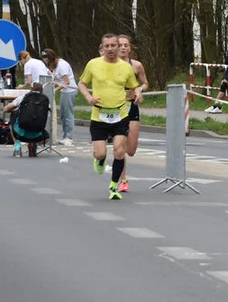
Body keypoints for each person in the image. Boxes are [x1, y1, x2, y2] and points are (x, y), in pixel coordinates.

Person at [78, 33, 141, 201]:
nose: (111, 49)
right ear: (102, 47)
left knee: (120, 151)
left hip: (120, 114)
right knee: (100, 153)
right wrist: (88, 97)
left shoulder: (125, 67)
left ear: (118, 46)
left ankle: (114, 186)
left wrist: (138, 94)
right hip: (99, 115)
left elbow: (135, 86)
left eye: (113, 45)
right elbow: (82, 83)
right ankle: (100, 160)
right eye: (107, 46)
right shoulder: (93, 64)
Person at [115, 35, 149, 193]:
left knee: (131, 150)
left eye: (125, 45)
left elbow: (145, 83)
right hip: (115, 108)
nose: (122, 48)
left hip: (132, 107)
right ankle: (123, 180)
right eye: (120, 45)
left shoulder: (136, 65)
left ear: (130, 48)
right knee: (120, 147)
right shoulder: (109, 65)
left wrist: (139, 90)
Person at [40, 49, 77, 146]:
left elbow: (66, 81)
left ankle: (69, 137)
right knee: (63, 114)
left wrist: (55, 90)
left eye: (47, 59)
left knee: (68, 114)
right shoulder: (54, 66)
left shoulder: (61, 65)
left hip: (69, 90)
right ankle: (65, 136)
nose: (46, 61)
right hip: (64, 91)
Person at [4, 82, 50, 156]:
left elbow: (5, 109)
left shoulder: (23, 97)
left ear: (31, 89)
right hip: (38, 135)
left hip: (20, 134)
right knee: (47, 137)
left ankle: (17, 146)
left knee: (12, 117)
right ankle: (33, 144)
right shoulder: (45, 101)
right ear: (42, 91)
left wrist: (16, 110)